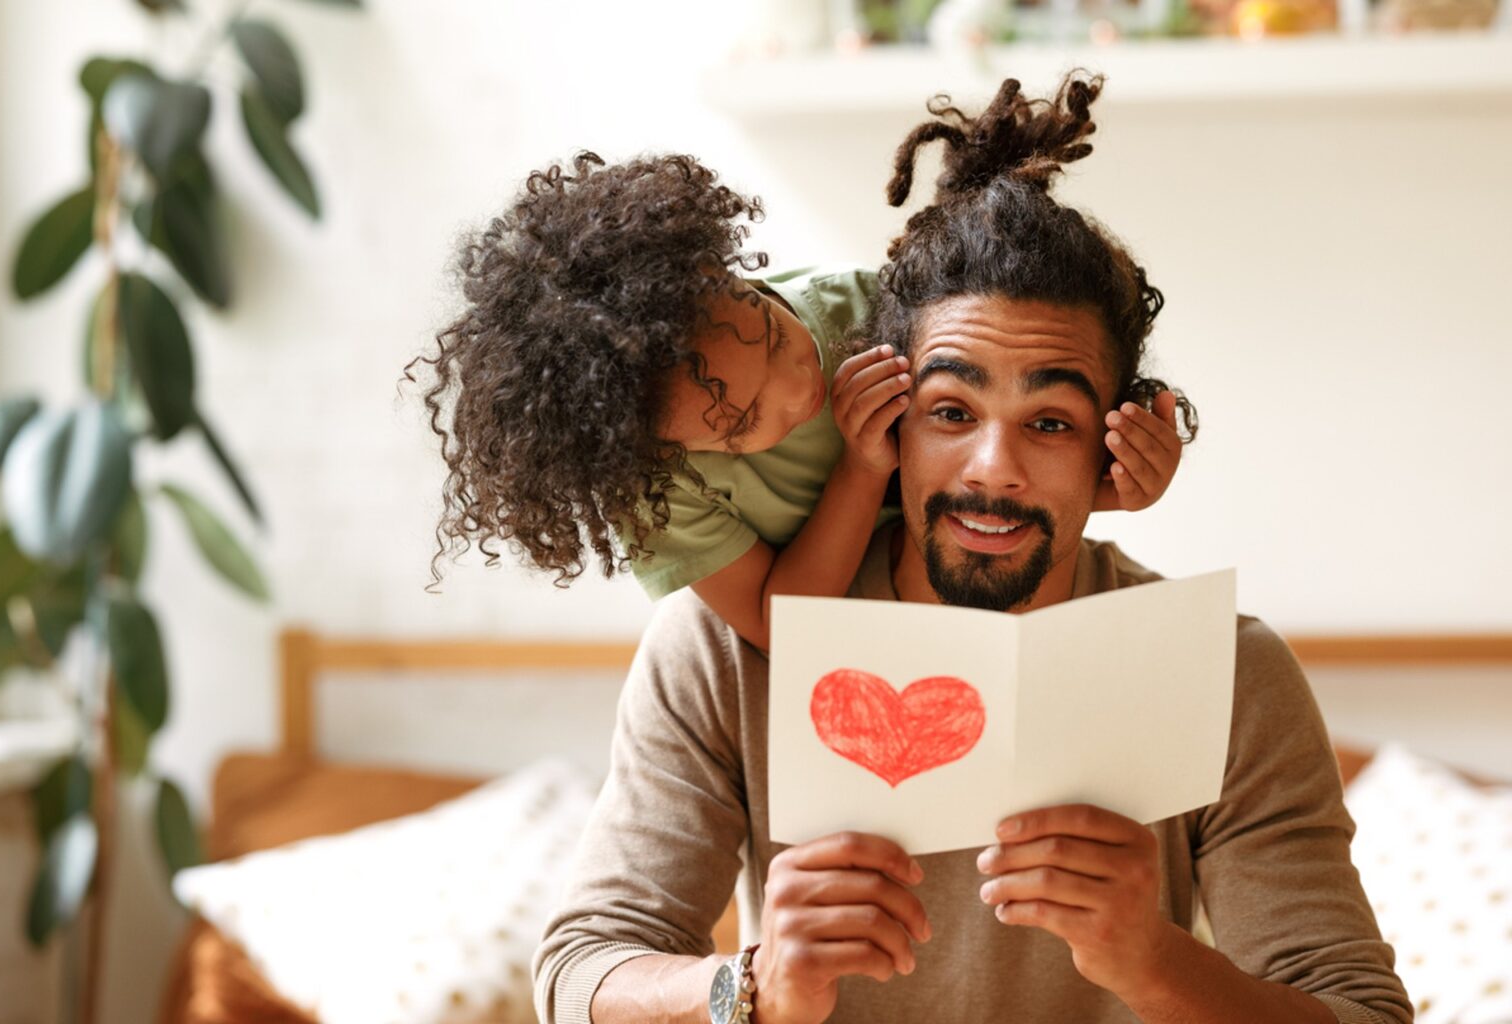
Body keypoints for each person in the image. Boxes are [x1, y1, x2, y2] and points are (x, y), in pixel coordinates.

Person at [532, 73, 1413, 1024]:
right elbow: (578, 975)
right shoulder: (716, 654)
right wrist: (747, 985)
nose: (994, 469)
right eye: (951, 412)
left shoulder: (1227, 675)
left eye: (1050, 424)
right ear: (887, 418)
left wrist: (1154, 959)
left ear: (1113, 448)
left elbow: (1362, 1013)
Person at [408, 106, 1188, 652]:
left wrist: (1118, 481)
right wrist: (859, 465)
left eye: (781, 343)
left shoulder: (865, 308)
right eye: (740, 423)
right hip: (843, 629)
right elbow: (789, 630)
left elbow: (1008, 443)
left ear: (733, 274)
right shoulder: (652, 491)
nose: (798, 394)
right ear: (651, 447)